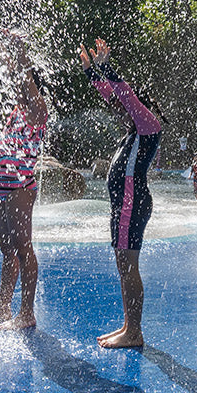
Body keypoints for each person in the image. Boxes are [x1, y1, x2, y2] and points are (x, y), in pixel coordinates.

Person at [80, 37, 163, 350]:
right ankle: (129, 326)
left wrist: (107, 68)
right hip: (123, 205)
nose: (117, 111)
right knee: (123, 264)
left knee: (128, 266)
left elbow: (125, 97)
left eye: (123, 108)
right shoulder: (132, 130)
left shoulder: (148, 126)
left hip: (132, 204)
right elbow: (114, 98)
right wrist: (92, 74)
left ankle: (135, 332)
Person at [0, 34, 47, 330]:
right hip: (5, 189)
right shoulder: (17, 111)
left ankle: (26, 313)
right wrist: (4, 53)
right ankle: (3, 306)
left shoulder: (38, 112)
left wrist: (22, 53)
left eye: (24, 86)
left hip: (20, 188)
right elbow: (17, 80)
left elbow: (26, 80)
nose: (18, 90)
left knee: (23, 247)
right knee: (7, 248)